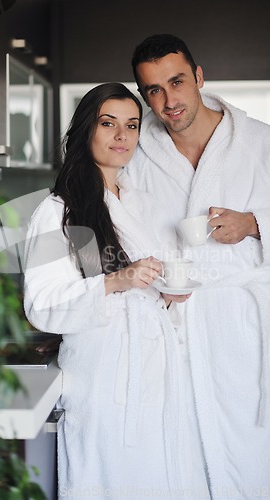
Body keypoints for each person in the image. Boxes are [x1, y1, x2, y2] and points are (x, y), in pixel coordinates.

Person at [23, 82, 210, 498]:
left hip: (159, 375)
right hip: (105, 382)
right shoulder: (56, 211)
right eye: (109, 124)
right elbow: (43, 305)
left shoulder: (144, 203)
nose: (122, 136)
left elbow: (153, 286)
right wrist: (116, 281)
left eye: (132, 125)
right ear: (87, 129)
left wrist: (166, 295)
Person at [127, 34, 270, 498]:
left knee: (249, 452)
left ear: (199, 77)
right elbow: (104, 226)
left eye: (177, 82)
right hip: (172, 325)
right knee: (180, 456)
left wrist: (253, 223)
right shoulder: (135, 154)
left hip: (242, 327)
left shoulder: (259, 141)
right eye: (153, 90)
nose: (169, 101)